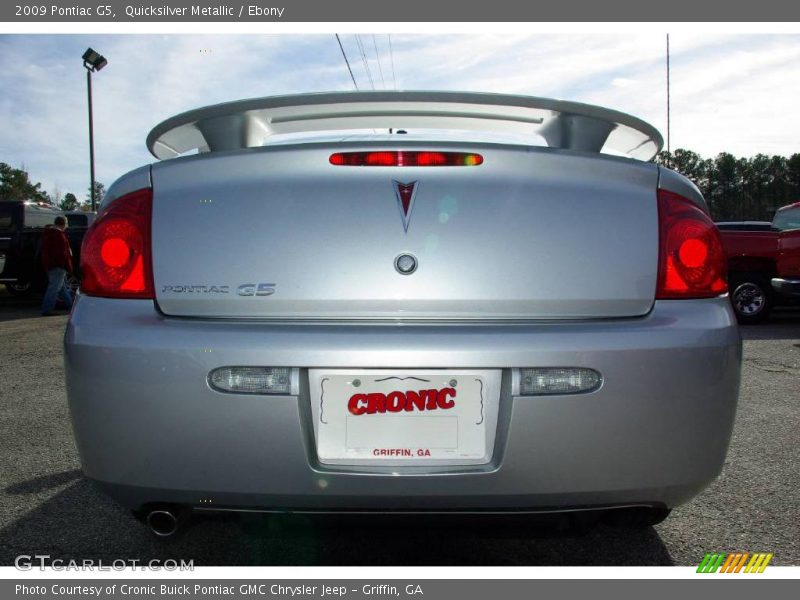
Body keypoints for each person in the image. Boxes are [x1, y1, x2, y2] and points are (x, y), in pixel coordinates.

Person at [40, 216, 74, 316]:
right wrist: (66, 264)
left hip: (50, 264)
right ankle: (47, 308)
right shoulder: (59, 235)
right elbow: (62, 252)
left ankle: (71, 305)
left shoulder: (48, 233)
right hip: (58, 265)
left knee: (61, 288)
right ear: (63, 223)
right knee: (54, 288)